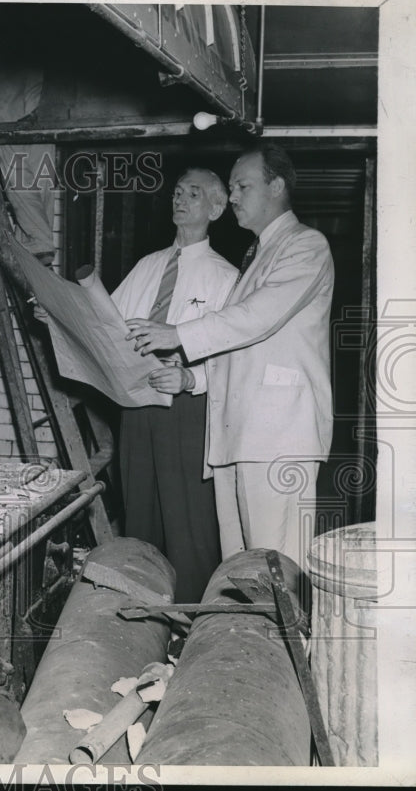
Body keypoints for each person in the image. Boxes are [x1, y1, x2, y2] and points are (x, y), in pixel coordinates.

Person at [126, 144, 334, 570]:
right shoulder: (258, 254)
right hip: (240, 435)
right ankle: (238, 638)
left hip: (278, 437)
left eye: (242, 186)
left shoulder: (306, 246)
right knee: (240, 573)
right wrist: (192, 379)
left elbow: (256, 318)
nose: (234, 195)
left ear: (276, 187)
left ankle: (282, 639)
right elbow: (232, 348)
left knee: (275, 569)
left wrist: (177, 333)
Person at [110, 168, 237, 602]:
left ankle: (189, 617)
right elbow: (106, 325)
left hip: (187, 410)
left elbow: (234, 356)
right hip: (136, 400)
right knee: (139, 512)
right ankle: (139, 611)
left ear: (217, 209)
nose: (180, 199)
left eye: (194, 194)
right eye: (177, 191)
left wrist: (190, 378)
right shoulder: (147, 266)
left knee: (187, 520)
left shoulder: (226, 278)